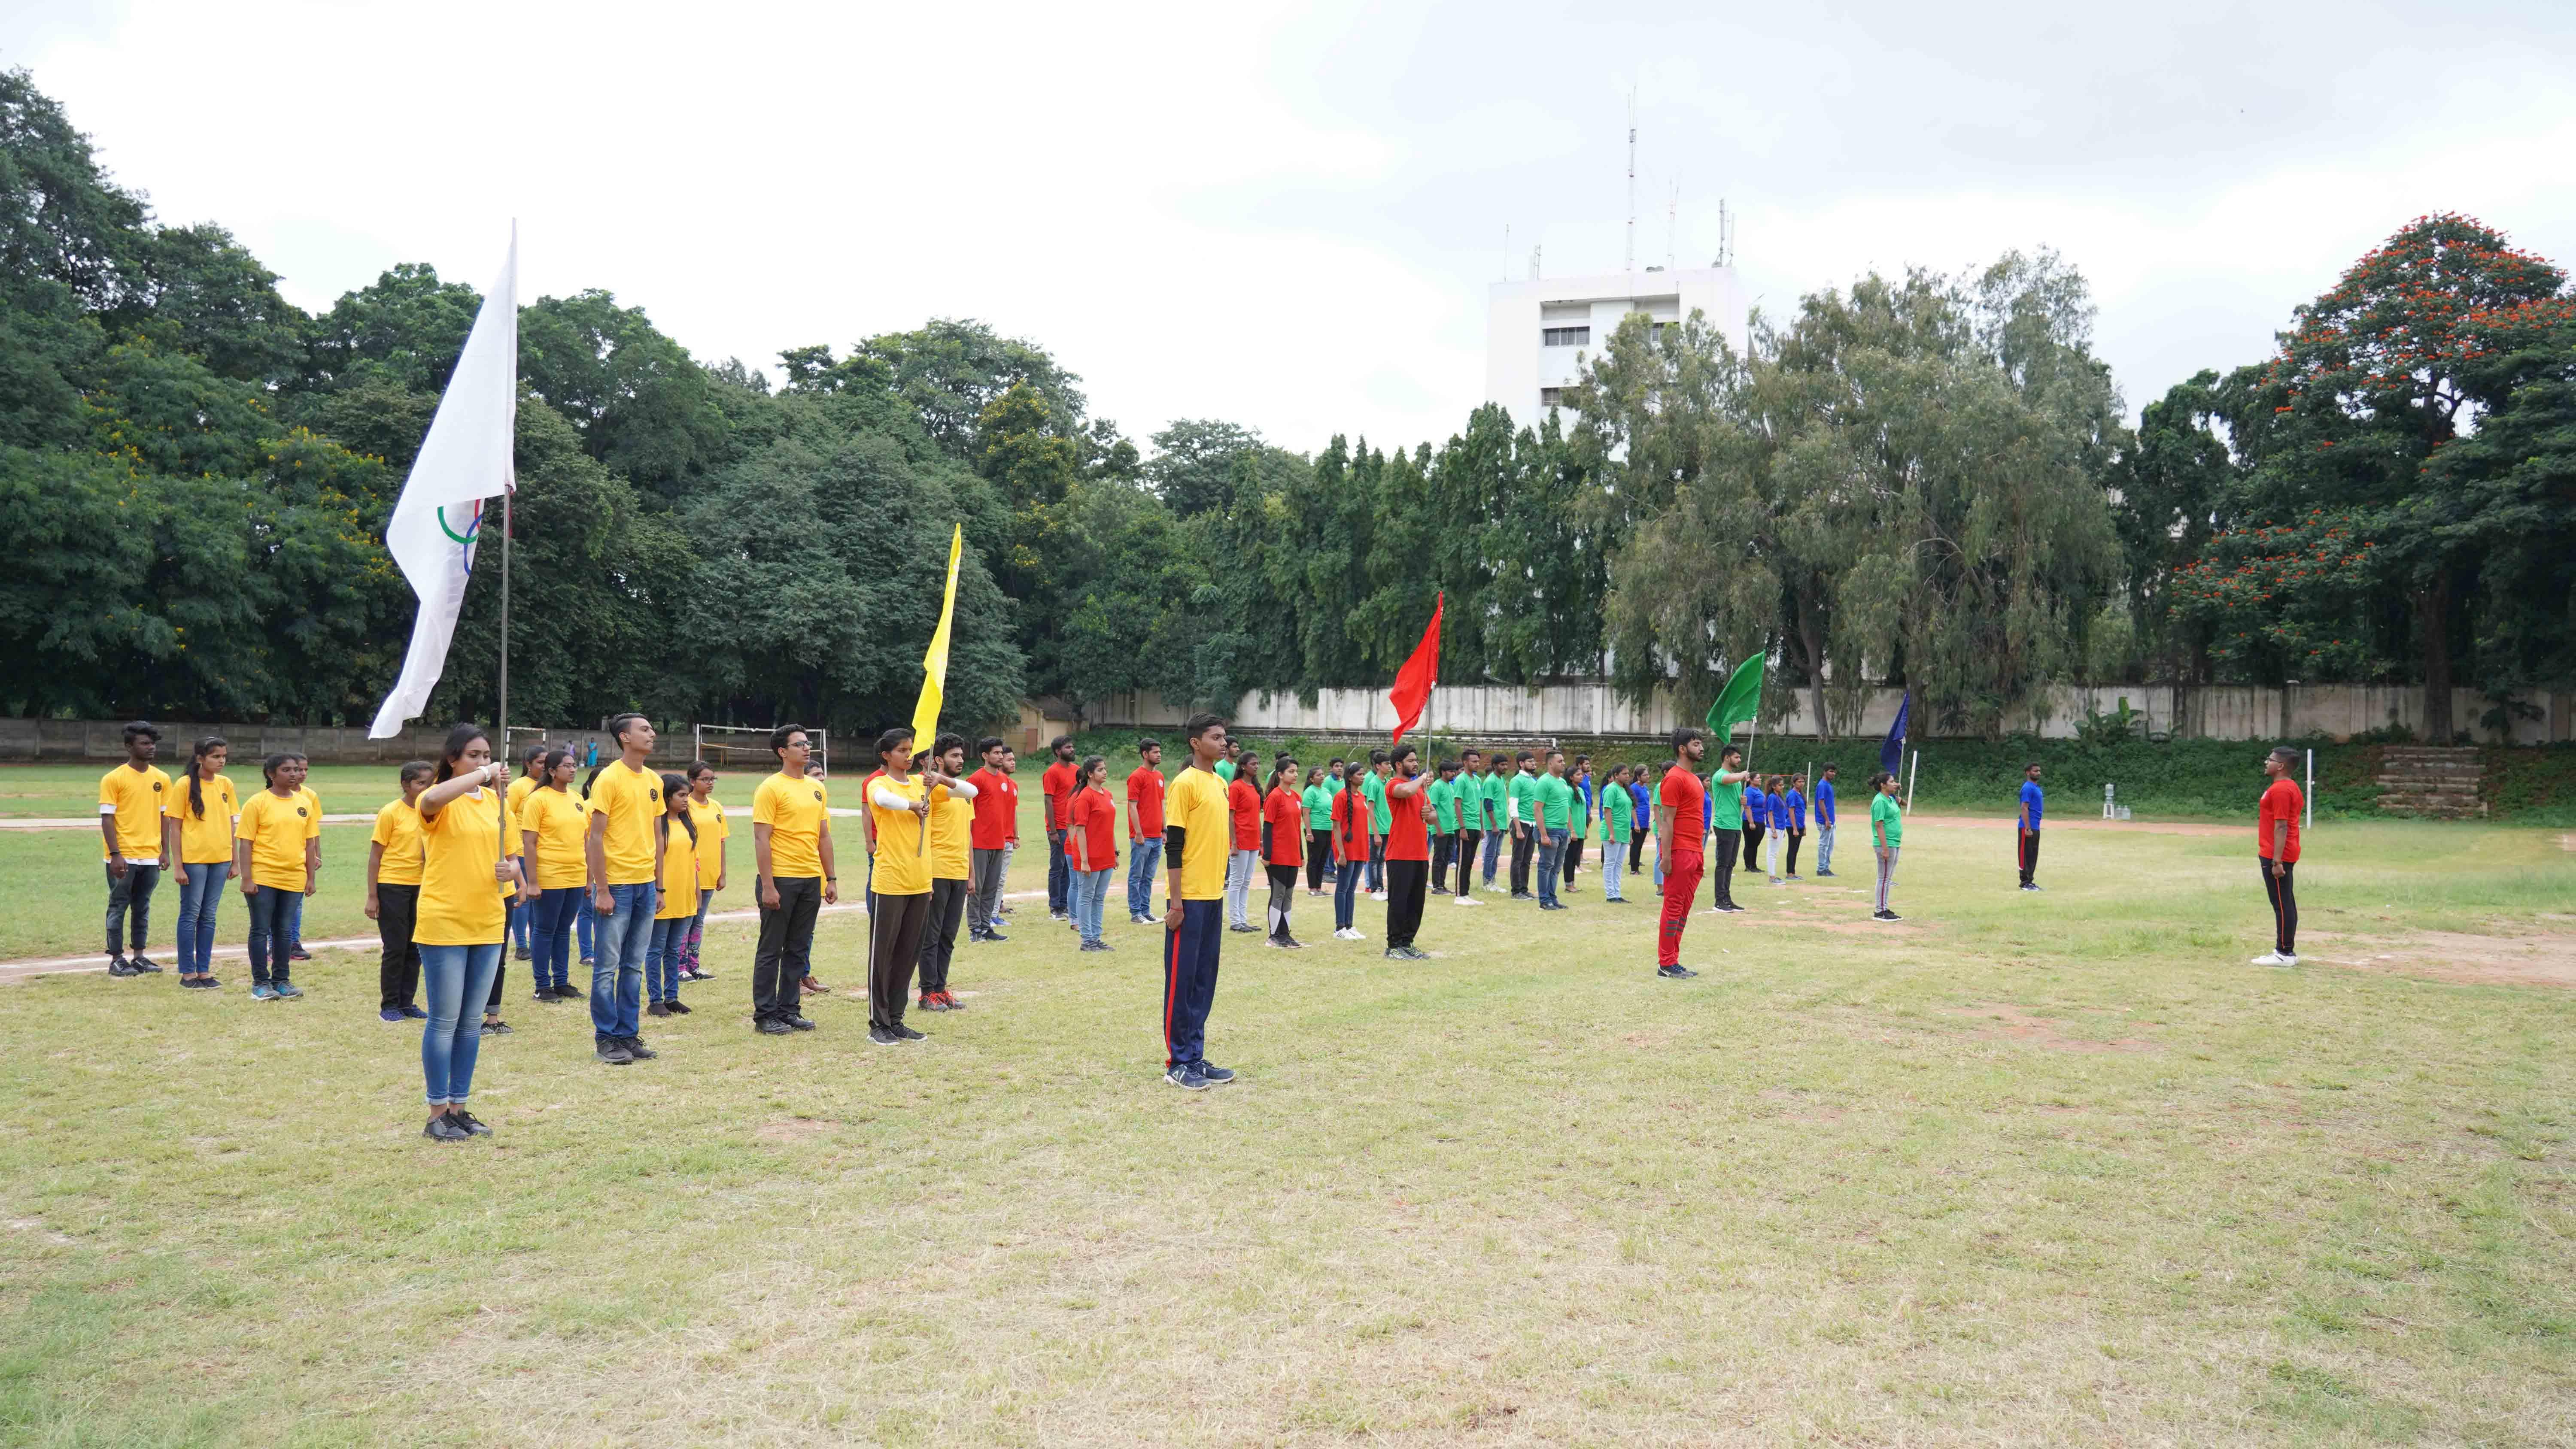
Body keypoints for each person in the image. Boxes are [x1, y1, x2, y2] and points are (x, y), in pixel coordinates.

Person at [412, 722, 525, 1141]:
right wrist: (483, 774)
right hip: (445, 921)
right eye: (474, 755)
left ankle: (459, 1108)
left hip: (488, 921)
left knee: (471, 1022)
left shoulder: (498, 803)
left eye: (487, 755)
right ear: (453, 759)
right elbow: (429, 800)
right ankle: (436, 1112)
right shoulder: (440, 799)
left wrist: (511, 870)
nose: (484, 762)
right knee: (444, 1020)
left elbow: (513, 858)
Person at [1158, 714, 1236, 1089]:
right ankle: (1177, 1062)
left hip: (1213, 895)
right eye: (1216, 737)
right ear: (1195, 742)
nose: (1223, 743)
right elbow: (1174, 846)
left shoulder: (1220, 783)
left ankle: (1196, 1056)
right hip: (1187, 898)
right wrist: (1176, 903)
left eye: (1224, 737)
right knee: (1182, 981)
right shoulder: (1184, 784)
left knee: (1204, 980)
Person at [585, 714, 664, 1065]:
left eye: (651, 729)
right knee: (607, 967)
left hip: (646, 885)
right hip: (616, 884)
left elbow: (658, 836)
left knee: (633, 966)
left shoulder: (654, 780)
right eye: (644, 729)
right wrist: (602, 889)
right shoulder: (609, 778)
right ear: (625, 737)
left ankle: (628, 1035)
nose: (652, 734)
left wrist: (659, 886)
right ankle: (606, 1038)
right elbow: (595, 837)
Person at [750, 724, 834, 1037]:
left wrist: (830, 878)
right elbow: (762, 839)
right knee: (771, 949)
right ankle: (765, 1014)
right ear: (783, 752)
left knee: (798, 949)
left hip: (810, 878)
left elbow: (823, 836)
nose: (807, 747)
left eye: (808, 743)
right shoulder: (771, 788)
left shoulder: (816, 788)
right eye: (799, 744)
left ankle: (789, 1010)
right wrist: (768, 885)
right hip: (781, 879)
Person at [866, 728, 938, 1046]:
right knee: (883, 955)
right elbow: (883, 800)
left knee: (908, 954)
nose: (909, 756)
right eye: (902, 751)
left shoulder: (923, 783)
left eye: (911, 750)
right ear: (886, 755)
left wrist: (941, 780)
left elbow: (970, 791)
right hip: (891, 881)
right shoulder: (879, 783)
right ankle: (878, 1024)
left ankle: (896, 1020)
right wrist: (912, 806)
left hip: (920, 881)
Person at [235, 752, 318, 999]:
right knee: (260, 930)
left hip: (293, 877)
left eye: (296, 770)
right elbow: (246, 843)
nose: (294, 774)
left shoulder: (304, 803)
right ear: (271, 774)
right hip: (264, 876)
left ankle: (282, 980)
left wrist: (310, 878)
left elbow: (310, 844)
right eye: (286, 770)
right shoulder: (257, 803)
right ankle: (261, 983)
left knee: (284, 931)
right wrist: (247, 878)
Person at [100, 720, 172, 976]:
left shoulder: (162, 779)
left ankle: (139, 956)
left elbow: (165, 817)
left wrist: (165, 851)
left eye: (153, 743)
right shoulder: (114, 778)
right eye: (145, 743)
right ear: (129, 747)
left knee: (143, 906)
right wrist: (116, 854)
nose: (151, 747)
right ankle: (117, 959)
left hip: (151, 855)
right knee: (119, 905)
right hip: (124, 855)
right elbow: (107, 818)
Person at [915, 734, 980, 1012]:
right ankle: (927, 993)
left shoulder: (962, 792)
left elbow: (968, 835)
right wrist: (926, 876)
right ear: (939, 760)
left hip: (958, 872)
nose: (961, 760)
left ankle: (941, 990)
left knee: (948, 936)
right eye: (955, 756)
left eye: (962, 755)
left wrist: (971, 874)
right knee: (931, 935)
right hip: (937, 871)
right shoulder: (932, 789)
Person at [365, 761, 434, 1022]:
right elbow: (375, 856)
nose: (426, 789)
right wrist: (373, 896)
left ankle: (407, 1003)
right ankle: (390, 1005)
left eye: (431, 784)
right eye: (420, 783)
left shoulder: (432, 812)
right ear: (406, 785)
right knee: (395, 947)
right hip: (393, 885)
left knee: (415, 947)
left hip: (423, 886)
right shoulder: (391, 812)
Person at [166, 735, 237, 989]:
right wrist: (178, 866)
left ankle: (204, 971)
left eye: (224, 756)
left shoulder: (226, 784)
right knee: (191, 914)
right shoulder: (184, 785)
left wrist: (235, 860)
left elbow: (231, 823)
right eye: (216, 757)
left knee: (209, 916)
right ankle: (188, 973)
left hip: (221, 859)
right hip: (194, 860)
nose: (221, 761)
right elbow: (175, 827)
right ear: (200, 758)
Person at [519, 747, 588, 1003]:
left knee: (563, 930)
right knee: (545, 929)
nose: (572, 769)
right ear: (551, 771)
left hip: (576, 874)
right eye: (566, 766)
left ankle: (561, 982)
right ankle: (542, 985)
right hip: (550, 875)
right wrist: (533, 882)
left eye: (574, 765)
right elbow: (529, 843)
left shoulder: (577, 798)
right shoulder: (538, 799)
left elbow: (585, 840)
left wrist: (589, 878)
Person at [1653, 729, 1709, 979]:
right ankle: (1666, 963)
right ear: (1682, 749)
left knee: (1684, 908)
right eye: (1696, 744)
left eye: (1701, 744)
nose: (1701, 748)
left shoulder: (1694, 779)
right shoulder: (1674, 779)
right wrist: (1666, 857)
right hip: (1680, 851)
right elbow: (1667, 822)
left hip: (1695, 850)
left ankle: (1673, 960)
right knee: (1674, 906)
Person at [646, 773, 701, 1018]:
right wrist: (658, 890)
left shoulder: (688, 824)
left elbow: (693, 861)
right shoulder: (657, 826)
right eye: (681, 795)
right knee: (656, 950)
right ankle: (655, 1000)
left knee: (674, 950)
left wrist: (696, 890)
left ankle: (672, 997)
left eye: (687, 795)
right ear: (667, 797)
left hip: (684, 895)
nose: (686, 800)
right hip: (663, 896)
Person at [1382, 745, 1434, 958]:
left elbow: (1434, 816)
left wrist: (1428, 813)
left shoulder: (1420, 789)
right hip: (1400, 853)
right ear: (1398, 765)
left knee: (1416, 903)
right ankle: (1393, 946)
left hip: (1420, 853)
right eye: (1411, 761)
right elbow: (1405, 792)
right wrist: (1422, 779)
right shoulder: (1394, 785)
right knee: (1399, 902)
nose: (1415, 764)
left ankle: (1407, 942)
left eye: (1416, 760)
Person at [2254, 746, 2305, 967]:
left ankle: (2284, 953)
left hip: (2277, 854)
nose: (2267, 762)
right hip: (2278, 852)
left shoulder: (2282, 790)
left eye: (2271, 760)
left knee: (2282, 904)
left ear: (2281, 766)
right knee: (2285, 902)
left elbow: (2282, 826)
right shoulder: (2286, 787)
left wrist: (2277, 861)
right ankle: (2285, 951)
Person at [1064, 755, 1119, 950]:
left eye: (1105, 769)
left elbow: (1109, 827)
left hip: (1106, 855)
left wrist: (1115, 852)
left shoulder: (1108, 794)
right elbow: (1080, 830)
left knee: (1099, 897)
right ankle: (1087, 939)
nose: (1105, 772)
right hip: (1090, 857)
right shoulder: (1085, 797)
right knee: (1086, 897)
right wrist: (1084, 861)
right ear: (1090, 774)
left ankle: (1096, 937)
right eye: (1100, 770)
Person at [966, 737, 1016, 942]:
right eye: (996, 753)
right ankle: (975, 929)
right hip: (979, 843)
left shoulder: (1005, 781)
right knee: (976, 888)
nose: (1001, 756)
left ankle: (987, 927)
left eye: (1001, 753)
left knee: (991, 888)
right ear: (985, 756)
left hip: (999, 842)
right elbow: (967, 813)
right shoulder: (976, 780)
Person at [680, 761, 727, 981]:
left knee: (698, 921)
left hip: (710, 874)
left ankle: (694, 965)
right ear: (692, 781)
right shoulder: (685, 805)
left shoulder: (716, 807)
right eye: (705, 779)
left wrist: (723, 872)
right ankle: (680, 966)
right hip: (690, 874)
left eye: (713, 779)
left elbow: (721, 841)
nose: (710, 783)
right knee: (686, 921)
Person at [505, 743, 547, 961]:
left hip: (543, 853)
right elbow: (505, 817)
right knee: (524, 898)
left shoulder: (548, 787)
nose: (545, 766)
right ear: (528, 764)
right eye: (540, 762)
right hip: (521, 851)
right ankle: (522, 945)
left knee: (537, 898)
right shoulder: (519, 787)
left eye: (547, 762)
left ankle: (535, 943)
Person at [1261, 760, 1307, 948]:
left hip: (1293, 854)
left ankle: (1285, 934)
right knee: (1278, 894)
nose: (1295, 775)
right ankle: (1274, 936)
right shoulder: (1274, 797)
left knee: (1288, 895)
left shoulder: (1297, 797)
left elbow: (1297, 828)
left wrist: (1301, 854)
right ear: (1280, 775)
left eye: (1297, 771)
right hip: (1278, 854)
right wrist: (1267, 855)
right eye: (1291, 771)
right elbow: (1268, 828)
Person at [1702, 745, 1752, 913]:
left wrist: (1742, 802)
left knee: (1731, 864)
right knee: (1723, 864)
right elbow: (1728, 779)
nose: (1739, 760)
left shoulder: (1736, 781)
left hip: (1736, 825)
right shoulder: (1720, 775)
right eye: (1736, 757)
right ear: (1727, 758)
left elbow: (1735, 798)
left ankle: (1727, 899)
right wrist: (1743, 774)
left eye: (1740, 757)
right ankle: (1719, 901)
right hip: (1724, 825)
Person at [1124, 739, 1168, 925]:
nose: (1159, 755)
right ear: (1145, 754)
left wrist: (1164, 830)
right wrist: (1139, 833)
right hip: (1142, 837)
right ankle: (1136, 913)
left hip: (1157, 836)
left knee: (1148, 877)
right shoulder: (1137, 777)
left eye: (1159, 752)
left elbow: (1161, 804)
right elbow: (1132, 807)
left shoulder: (1159, 776)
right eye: (1155, 752)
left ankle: (1145, 910)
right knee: (1136, 876)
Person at [1329, 757, 1370, 941]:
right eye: (1360, 774)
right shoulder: (1341, 797)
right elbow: (1336, 826)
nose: (1363, 777)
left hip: (1360, 849)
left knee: (1352, 890)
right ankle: (1339, 927)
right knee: (1343, 889)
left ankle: (1349, 925)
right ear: (1350, 777)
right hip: (1347, 850)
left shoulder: (1361, 797)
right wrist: (1341, 853)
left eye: (1363, 774)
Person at [1040, 735, 1078, 920]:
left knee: (1069, 868)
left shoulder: (1077, 771)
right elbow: (1049, 801)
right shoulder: (1052, 772)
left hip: (1073, 827)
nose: (1072, 750)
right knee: (1057, 868)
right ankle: (1055, 907)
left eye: (1072, 747)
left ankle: (1065, 904)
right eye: (1068, 747)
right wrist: (1053, 830)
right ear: (1058, 751)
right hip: (1059, 827)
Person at [1532, 751, 1573, 911]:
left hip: (1562, 831)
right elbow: (1538, 809)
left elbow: (1566, 807)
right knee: (1546, 866)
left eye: (1563, 761)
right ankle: (1544, 901)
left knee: (1556, 868)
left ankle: (1552, 898)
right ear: (1550, 764)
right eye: (1560, 761)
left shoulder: (1562, 782)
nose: (1564, 763)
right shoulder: (1544, 782)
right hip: (1550, 830)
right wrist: (1543, 834)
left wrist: (1570, 830)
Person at [1870, 770, 1906, 922]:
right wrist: (1884, 849)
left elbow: (1904, 804)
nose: (1895, 783)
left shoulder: (1890, 798)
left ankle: (1884, 908)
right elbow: (1879, 825)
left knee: (1888, 878)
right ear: (1883, 785)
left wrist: (1896, 789)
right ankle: (1880, 911)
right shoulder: (1880, 801)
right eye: (1891, 782)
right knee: (1883, 878)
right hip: (1886, 844)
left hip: (1895, 842)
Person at [1452, 750, 1487, 907]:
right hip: (1464, 825)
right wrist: (1462, 827)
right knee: (1462, 861)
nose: (1477, 764)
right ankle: (1459, 895)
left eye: (1478, 761)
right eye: (1474, 761)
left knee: (1470, 862)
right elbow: (1457, 805)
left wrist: (1481, 826)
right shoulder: (1461, 780)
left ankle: (1466, 894)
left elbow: (1479, 805)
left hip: (1475, 825)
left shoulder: (1478, 780)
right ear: (1465, 763)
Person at [1505, 752, 1540, 899]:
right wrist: (1518, 829)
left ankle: (1524, 889)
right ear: (1521, 763)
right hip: (1521, 823)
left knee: (1527, 860)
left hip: (1532, 824)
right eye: (1530, 761)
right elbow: (1513, 805)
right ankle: (1516, 891)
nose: (1534, 764)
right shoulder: (1517, 781)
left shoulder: (1533, 781)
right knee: (1518, 859)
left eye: (1534, 761)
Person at [1599, 764, 1634, 903]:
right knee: (1610, 863)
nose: (1627, 776)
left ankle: (1617, 893)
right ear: (1616, 775)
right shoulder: (1611, 789)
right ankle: (1611, 895)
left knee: (1619, 864)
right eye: (1624, 774)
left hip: (1624, 832)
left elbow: (1626, 813)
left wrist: (1629, 834)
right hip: (1613, 831)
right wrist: (1612, 833)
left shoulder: (1624, 790)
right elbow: (1607, 811)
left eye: (1628, 773)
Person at [1359, 749, 1391, 898]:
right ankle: (1374, 888)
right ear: (1378, 766)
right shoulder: (1373, 784)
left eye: (1390, 763)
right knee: (1374, 859)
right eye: (1386, 764)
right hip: (1377, 829)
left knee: (1382, 859)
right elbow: (1370, 809)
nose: (1389, 766)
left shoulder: (1388, 783)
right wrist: (1376, 832)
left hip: (1388, 827)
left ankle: (1380, 886)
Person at [1426, 759, 1459, 895]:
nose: (1454, 774)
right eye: (1451, 771)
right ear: (1443, 772)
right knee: (1439, 858)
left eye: (1454, 771)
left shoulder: (1451, 787)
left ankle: (1442, 884)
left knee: (1447, 857)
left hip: (1451, 829)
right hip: (1440, 829)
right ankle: (1437, 886)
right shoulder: (1437, 787)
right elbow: (1432, 808)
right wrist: (1438, 828)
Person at [1300, 766, 1334, 894]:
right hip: (1315, 829)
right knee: (1314, 859)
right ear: (1312, 779)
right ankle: (1312, 888)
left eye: (1322, 774)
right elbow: (1306, 813)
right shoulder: (1310, 792)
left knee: (1323, 859)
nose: (1322, 776)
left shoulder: (1326, 791)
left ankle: (1319, 887)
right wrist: (1309, 832)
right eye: (1318, 775)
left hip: (1327, 828)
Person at [1563, 756, 1592, 891]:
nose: (1581, 777)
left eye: (1581, 775)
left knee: (1575, 858)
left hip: (1580, 828)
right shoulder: (1568, 791)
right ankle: (1568, 884)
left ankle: (1572, 883)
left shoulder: (1580, 790)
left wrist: (1585, 829)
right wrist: (1572, 830)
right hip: (1572, 829)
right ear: (1571, 777)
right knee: (1569, 858)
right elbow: (1568, 810)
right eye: (1578, 775)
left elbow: (1583, 810)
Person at [2017, 762, 2045, 891]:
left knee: (2033, 855)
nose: (2038, 773)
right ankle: (2025, 883)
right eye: (2035, 771)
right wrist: (2028, 828)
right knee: (2026, 855)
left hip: (2035, 827)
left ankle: (2030, 882)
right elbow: (2024, 808)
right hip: (2027, 827)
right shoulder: (2028, 788)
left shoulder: (2036, 788)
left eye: (2039, 771)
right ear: (2028, 773)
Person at [1813, 764, 1839, 877]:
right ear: (1825, 772)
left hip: (1831, 821)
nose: (1833, 774)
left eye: (1834, 772)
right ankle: (1821, 869)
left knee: (1830, 846)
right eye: (1831, 771)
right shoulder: (1822, 785)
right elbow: (1821, 803)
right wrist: (1827, 820)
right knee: (1824, 846)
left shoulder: (1828, 784)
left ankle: (1826, 868)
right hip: (1825, 821)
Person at [1762, 776, 1788, 885]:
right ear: (1773, 786)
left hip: (1780, 828)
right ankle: (1772, 877)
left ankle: (1773, 876)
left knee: (1774, 853)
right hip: (1775, 828)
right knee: (1772, 853)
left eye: (1783, 785)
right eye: (1780, 785)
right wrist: (1774, 831)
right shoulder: (1772, 797)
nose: (1782, 787)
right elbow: (1770, 814)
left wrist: (1783, 830)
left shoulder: (1779, 797)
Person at [1741, 774, 1768, 879]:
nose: (1760, 779)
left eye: (1760, 778)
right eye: (1757, 778)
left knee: (1756, 844)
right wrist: (1751, 822)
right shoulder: (1749, 791)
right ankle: (1749, 866)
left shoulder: (1759, 791)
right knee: (1750, 844)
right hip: (1751, 821)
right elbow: (1748, 807)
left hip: (1760, 820)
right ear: (1751, 780)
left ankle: (1754, 865)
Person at [1782, 774, 1808, 880]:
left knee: (1795, 850)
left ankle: (1793, 872)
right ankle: (1790, 873)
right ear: (1794, 783)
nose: (1802, 784)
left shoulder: (1800, 794)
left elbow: (1801, 812)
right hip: (1793, 826)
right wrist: (1795, 829)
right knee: (1792, 849)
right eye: (1799, 782)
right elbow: (1791, 812)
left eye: (1803, 782)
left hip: (1800, 825)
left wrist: (1804, 826)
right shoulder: (1792, 795)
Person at [1626, 765, 1650, 878]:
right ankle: (1633, 869)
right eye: (1645, 775)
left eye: (1648, 774)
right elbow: (1633, 806)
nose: (1648, 777)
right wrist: (1636, 823)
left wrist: (1648, 823)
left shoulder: (1645, 788)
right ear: (1638, 777)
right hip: (1638, 820)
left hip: (1644, 821)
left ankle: (1637, 868)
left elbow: (1646, 804)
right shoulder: (1634, 788)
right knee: (1636, 845)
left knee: (1640, 845)